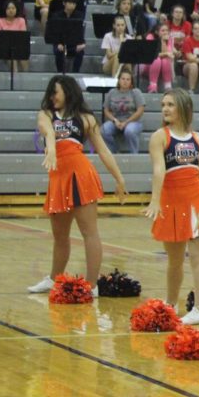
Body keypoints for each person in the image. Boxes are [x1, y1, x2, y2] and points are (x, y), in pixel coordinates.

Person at [27, 76, 127, 294]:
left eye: (57, 92)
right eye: (51, 92)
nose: (53, 96)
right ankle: (54, 279)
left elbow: (103, 150)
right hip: (58, 177)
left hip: (81, 175)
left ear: (69, 92)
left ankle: (92, 286)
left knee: (89, 232)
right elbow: (48, 132)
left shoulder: (86, 118)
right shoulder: (46, 115)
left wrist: (119, 178)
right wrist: (51, 149)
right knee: (60, 236)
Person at [143, 88, 199, 326]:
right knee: (174, 261)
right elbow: (159, 170)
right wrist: (155, 199)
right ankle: (171, 305)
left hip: (195, 201)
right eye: (163, 104)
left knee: (197, 256)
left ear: (183, 107)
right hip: (171, 203)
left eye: (170, 104)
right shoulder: (159, 137)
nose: (165, 109)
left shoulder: (198, 138)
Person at [101, 68, 145, 154]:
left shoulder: (136, 92)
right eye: (123, 79)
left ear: (131, 81)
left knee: (130, 131)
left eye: (128, 79)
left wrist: (126, 122)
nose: (125, 81)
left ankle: (134, 155)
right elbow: (106, 110)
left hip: (133, 122)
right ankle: (114, 152)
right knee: (104, 130)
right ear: (119, 80)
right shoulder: (112, 92)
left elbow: (140, 110)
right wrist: (115, 120)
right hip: (116, 121)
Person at [49, 0, 86, 74]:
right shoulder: (56, 15)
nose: (72, 5)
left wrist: (82, 44)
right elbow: (54, 32)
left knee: (80, 52)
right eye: (70, 3)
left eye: (74, 3)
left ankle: (75, 73)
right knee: (58, 51)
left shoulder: (79, 15)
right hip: (60, 42)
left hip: (74, 43)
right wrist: (58, 43)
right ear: (64, 3)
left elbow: (80, 32)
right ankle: (60, 72)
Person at [0, 0, 28, 73]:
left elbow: (23, 37)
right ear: (5, 10)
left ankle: (26, 77)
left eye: (13, 8)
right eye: (8, 8)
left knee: (24, 58)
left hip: (18, 47)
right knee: (12, 59)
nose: (11, 10)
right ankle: (15, 79)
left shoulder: (21, 20)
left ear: (16, 9)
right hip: (4, 48)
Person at [146, 23, 176, 93]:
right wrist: (165, 53)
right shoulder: (150, 37)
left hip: (163, 66)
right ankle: (152, 86)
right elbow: (151, 54)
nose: (165, 32)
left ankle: (168, 86)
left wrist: (163, 41)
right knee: (157, 59)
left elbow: (166, 55)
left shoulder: (169, 38)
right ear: (156, 32)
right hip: (147, 64)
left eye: (167, 30)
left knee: (165, 60)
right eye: (163, 30)